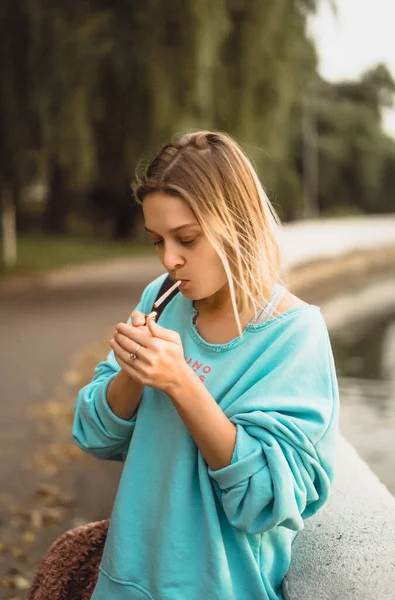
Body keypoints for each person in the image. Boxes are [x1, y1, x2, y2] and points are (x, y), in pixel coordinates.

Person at [73, 130, 339, 600]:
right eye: (157, 240)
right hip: (124, 584)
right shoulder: (161, 297)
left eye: (187, 239)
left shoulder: (295, 336)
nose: (170, 259)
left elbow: (265, 502)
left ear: (238, 224)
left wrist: (182, 383)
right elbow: (94, 435)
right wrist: (132, 374)